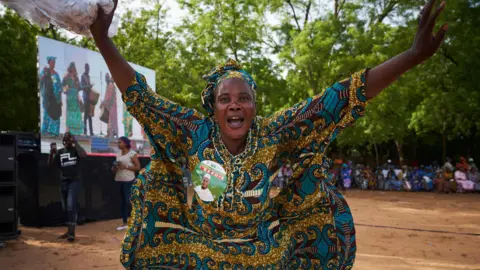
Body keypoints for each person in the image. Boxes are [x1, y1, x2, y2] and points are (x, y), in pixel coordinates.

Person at [90, 0, 448, 268]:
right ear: (213, 108)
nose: (234, 105)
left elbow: (340, 98)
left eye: (243, 98)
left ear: (254, 106)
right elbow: (139, 95)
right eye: (225, 99)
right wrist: (103, 41)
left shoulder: (274, 133)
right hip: (199, 251)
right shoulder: (191, 130)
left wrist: (412, 57)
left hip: (262, 254)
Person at [48, 132, 87, 242]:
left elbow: (84, 155)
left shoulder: (76, 150)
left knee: (70, 206)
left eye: (68, 140)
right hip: (63, 182)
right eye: (64, 140)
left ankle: (71, 233)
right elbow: (50, 166)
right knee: (65, 208)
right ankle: (69, 230)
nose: (66, 142)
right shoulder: (60, 152)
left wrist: (76, 142)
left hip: (74, 182)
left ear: (72, 140)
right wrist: (51, 154)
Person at [113, 136, 140, 231]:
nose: (118, 144)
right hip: (119, 179)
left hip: (129, 180)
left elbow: (137, 167)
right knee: (123, 202)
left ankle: (137, 221)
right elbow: (116, 168)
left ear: (125, 143)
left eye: (119, 142)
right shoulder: (118, 154)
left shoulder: (132, 154)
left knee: (129, 201)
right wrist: (114, 168)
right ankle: (125, 223)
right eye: (118, 142)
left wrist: (126, 166)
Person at [40, 56, 62, 136]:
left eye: (54, 62)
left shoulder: (56, 74)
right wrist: (45, 74)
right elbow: (40, 80)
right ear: (49, 63)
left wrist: (60, 98)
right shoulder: (45, 71)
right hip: (48, 96)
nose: (54, 64)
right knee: (47, 113)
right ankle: (46, 130)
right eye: (52, 62)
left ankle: (54, 131)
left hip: (56, 98)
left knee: (56, 113)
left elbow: (59, 86)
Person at [63, 62, 85, 135]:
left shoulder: (76, 77)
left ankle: (76, 132)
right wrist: (68, 90)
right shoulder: (66, 76)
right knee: (70, 113)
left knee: (77, 113)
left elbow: (79, 87)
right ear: (70, 68)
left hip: (76, 97)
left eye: (74, 67)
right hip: (70, 97)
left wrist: (85, 88)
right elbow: (63, 87)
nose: (73, 68)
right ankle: (69, 131)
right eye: (72, 67)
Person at [101, 73, 118, 138]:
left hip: (112, 105)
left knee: (111, 119)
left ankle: (111, 134)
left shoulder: (111, 85)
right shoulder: (110, 85)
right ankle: (112, 134)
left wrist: (104, 102)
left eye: (107, 77)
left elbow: (109, 97)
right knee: (112, 120)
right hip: (112, 105)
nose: (106, 79)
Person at [81, 63, 95, 136]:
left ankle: (91, 132)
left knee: (90, 114)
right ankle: (85, 131)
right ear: (85, 68)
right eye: (87, 68)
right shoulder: (82, 76)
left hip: (89, 97)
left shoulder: (88, 76)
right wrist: (89, 86)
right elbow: (82, 86)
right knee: (86, 114)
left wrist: (91, 87)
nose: (88, 70)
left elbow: (88, 87)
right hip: (85, 97)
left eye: (89, 69)